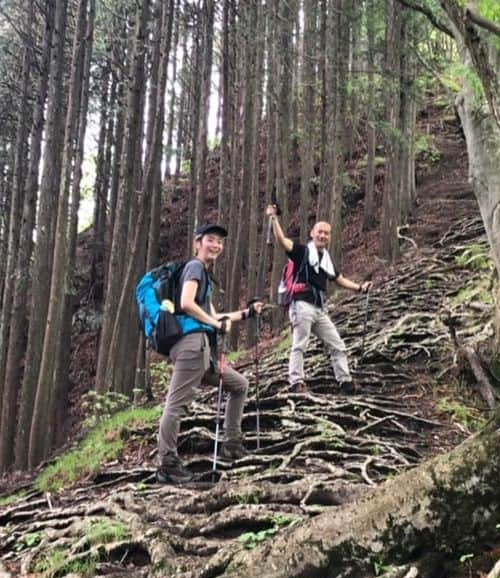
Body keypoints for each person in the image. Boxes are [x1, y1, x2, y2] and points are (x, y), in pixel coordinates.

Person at [156, 222, 264, 485]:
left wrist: (247, 313)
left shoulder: (203, 274)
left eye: (219, 242)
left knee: (239, 385)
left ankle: (232, 443)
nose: (216, 245)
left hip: (202, 350)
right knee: (176, 404)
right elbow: (186, 303)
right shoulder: (194, 267)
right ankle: (167, 464)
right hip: (192, 347)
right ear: (198, 243)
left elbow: (215, 316)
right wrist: (216, 325)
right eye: (210, 240)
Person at [266, 205, 371, 394]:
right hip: (301, 305)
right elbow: (281, 240)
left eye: (327, 233)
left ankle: (345, 382)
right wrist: (274, 218)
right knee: (300, 344)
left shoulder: (325, 259)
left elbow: (338, 278)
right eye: (320, 232)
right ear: (312, 233)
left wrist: (359, 288)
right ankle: (296, 382)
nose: (323, 236)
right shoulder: (302, 252)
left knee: (337, 344)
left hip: (319, 308)